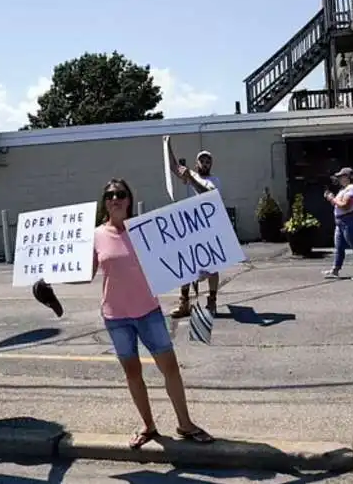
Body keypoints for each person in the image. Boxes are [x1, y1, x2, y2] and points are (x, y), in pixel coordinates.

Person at [38, 179, 213, 449]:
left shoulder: (144, 230)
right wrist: (51, 278)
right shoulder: (96, 235)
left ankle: (185, 424)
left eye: (120, 194)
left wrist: (195, 264)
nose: (115, 199)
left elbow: (172, 257)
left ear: (129, 199)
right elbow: (85, 273)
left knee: (170, 368)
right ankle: (148, 426)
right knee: (133, 373)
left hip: (148, 311)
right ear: (105, 202)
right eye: (109, 195)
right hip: (116, 317)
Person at [170, 147, 223, 317]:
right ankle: (184, 302)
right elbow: (173, 167)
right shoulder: (190, 174)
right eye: (202, 161)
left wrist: (190, 179)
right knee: (186, 264)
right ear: (197, 163)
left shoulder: (214, 180)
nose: (205, 164)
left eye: (208, 161)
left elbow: (207, 195)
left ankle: (212, 301)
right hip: (189, 227)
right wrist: (168, 145)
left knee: (213, 265)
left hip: (207, 228)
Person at [322, 167, 353, 280]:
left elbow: (345, 205)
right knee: (339, 247)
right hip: (342, 221)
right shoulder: (344, 189)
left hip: (351, 219)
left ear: (349, 177)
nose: (340, 179)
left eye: (342, 176)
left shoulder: (351, 188)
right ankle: (335, 270)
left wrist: (331, 198)